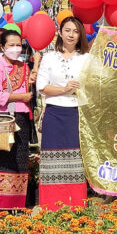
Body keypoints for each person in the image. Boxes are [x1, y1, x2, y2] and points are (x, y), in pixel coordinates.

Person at [36, 16, 90, 209]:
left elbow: (92, 86)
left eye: (76, 31)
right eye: (68, 30)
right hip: (54, 113)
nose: (71, 35)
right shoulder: (50, 57)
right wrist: (64, 89)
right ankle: (51, 204)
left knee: (75, 159)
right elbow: (41, 86)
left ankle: (75, 203)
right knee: (52, 159)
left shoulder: (86, 58)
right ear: (60, 32)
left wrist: (80, 89)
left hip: (76, 113)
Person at [0, 30, 35, 210]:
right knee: (0, 157)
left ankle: (17, 202)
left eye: (18, 45)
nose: (15, 48)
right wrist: (21, 97)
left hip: (21, 117)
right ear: (2, 47)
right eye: (11, 45)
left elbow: (29, 92)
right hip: (3, 117)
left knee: (19, 159)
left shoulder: (24, 67)